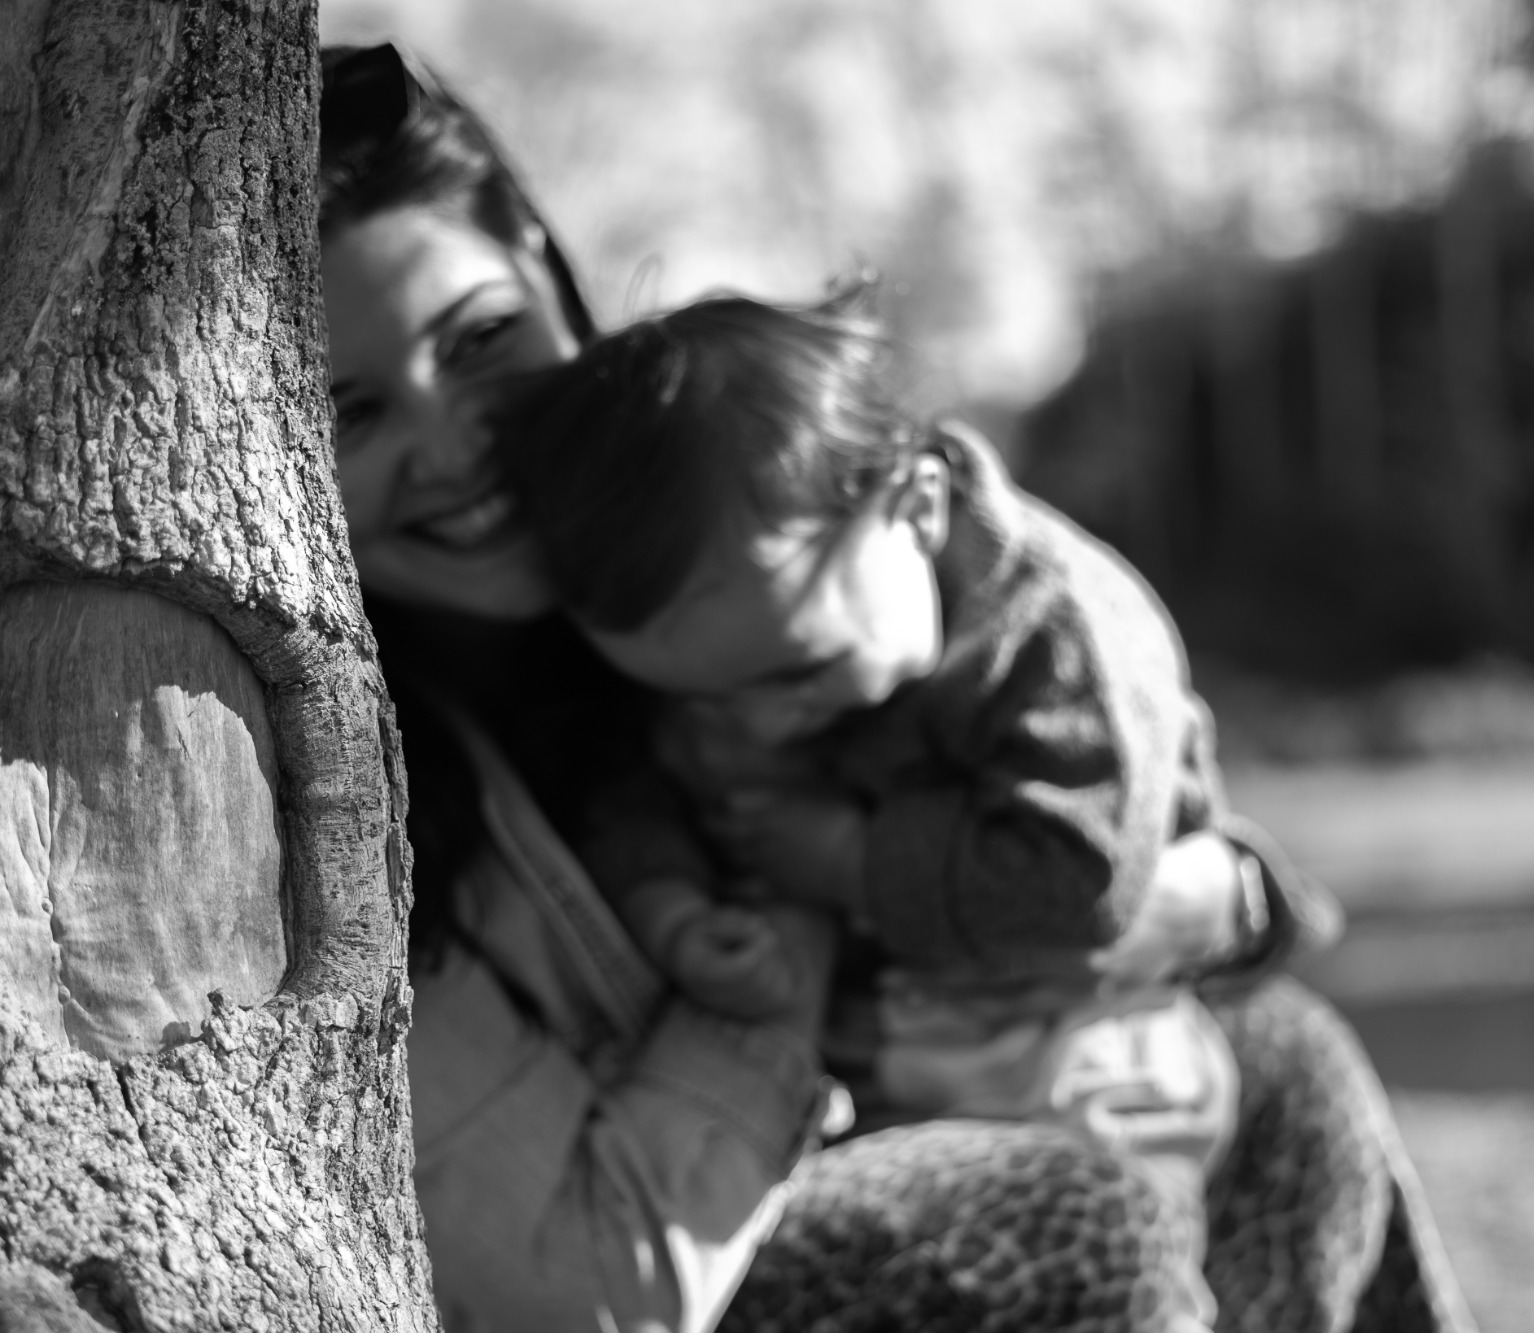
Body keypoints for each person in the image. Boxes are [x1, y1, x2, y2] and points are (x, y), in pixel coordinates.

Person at [317, 38, 1475, 1333]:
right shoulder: (342, 784)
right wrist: (787, 953)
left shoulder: (729, 509)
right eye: (350, 410)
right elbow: (586, 1281)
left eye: (480, 338)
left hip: (899, 1058)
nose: (456, 440)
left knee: (1289, 1063)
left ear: (542, 261)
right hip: (683, 1245)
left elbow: (1084, 793)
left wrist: (1229, 895)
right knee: (1064, 1218)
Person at [495, 292, 1269, 1329]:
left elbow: (1082, 876)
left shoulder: (1059, 631)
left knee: (1115, 1260)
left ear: (915, 505)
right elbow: (635, 787)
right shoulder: (749, 639)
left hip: (1088, 1052)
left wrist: (844, 856)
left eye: (796, 673)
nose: (757, 727)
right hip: (884, 1071)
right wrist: (666, 902)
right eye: (699, 700)